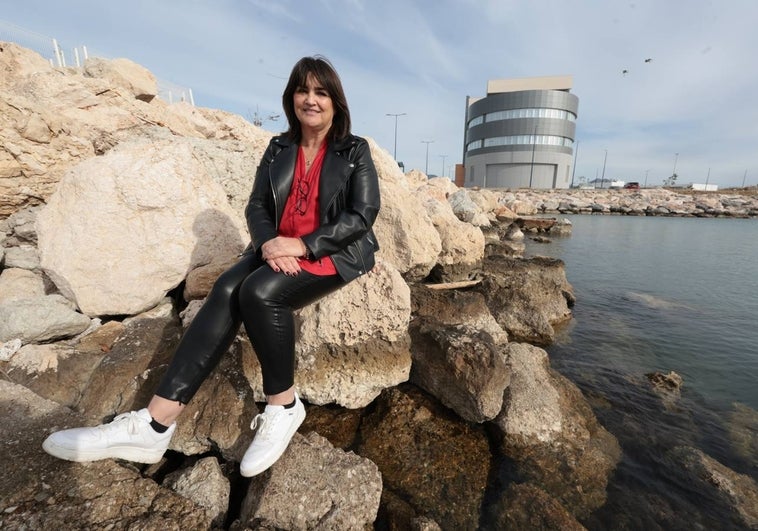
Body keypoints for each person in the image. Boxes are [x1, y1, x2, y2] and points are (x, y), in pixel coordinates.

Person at [42, 55, 381, 477]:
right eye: (302, 90)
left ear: (335, 101)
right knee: (224, 288)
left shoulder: (354, 150)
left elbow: (362, 215)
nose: (310, 100)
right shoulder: (279, 147)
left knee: (258, 294)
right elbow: (257, 204)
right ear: (291, 96)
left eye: (320, 92)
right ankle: (155, 424)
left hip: (331, 252)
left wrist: (302, 245)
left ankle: (284, 404)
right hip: (276, 246)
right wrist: (269, 244)